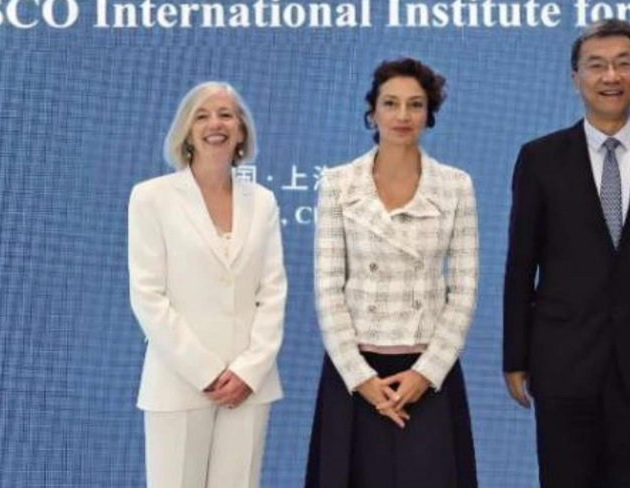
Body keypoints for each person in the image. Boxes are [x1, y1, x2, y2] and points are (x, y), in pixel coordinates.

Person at [502, 19, 630, 488]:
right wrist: (515, 356)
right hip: (562, 360)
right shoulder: (540, 157)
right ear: (576, 77)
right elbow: (520, 265)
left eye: (622, 63)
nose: (610, 76)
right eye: (596, 65)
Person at [305, 58, 480, 488]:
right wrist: (360, 377)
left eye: (415, 104)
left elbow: (464, 290)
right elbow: (328, 289)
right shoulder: (339, 183)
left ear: (429, 114)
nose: (403, 115)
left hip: (428, 374)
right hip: (356, 374)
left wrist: (427, 373)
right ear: (373, 112)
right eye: (391, 103)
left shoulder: (455, 185)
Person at [128, 82, 287, 488]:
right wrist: (207, 372)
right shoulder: (151, 198)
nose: (215, 124)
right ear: (186, 131)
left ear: (241, 130)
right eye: (202, 116)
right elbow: (148, 296)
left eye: (226, 115)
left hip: (249, 386)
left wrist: (249, 371)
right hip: (179, 381)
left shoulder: (263, 201)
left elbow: (273, 293)